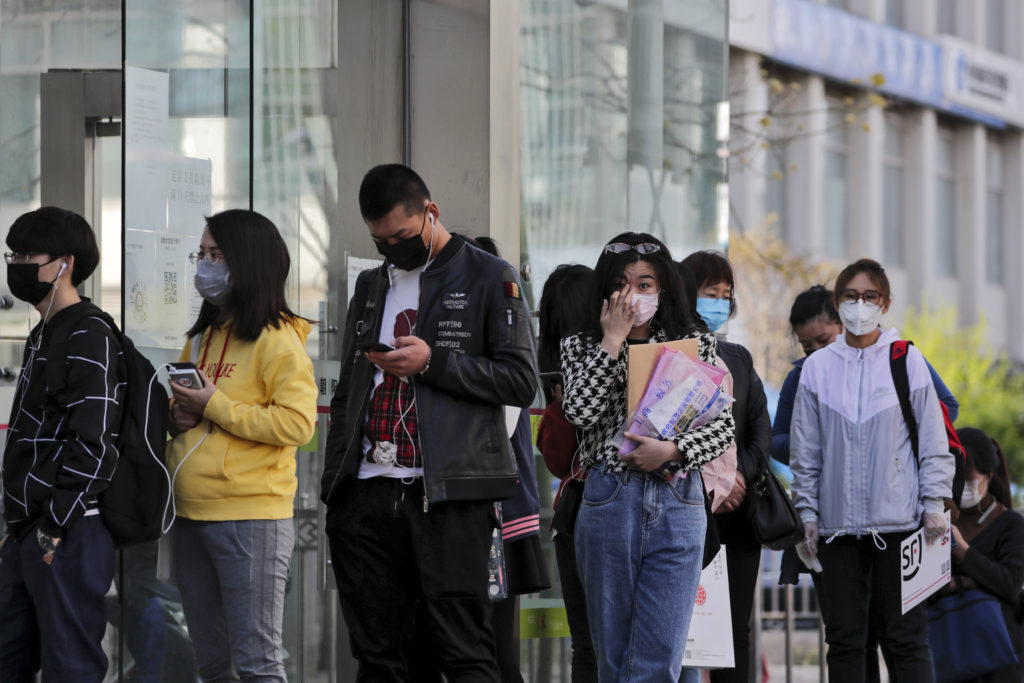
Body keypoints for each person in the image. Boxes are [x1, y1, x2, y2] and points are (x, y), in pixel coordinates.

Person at [320, 164, 538, 680]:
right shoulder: (372, 286)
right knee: (377, 657)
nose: (392, 248)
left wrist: (433, 362)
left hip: (449, 496)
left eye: (400, 235)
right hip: (368, 493)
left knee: (464, 651)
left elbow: (519, 381)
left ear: (430, 213)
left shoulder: (489, 275)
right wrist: (337, 486)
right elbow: (351, 388)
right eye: (380, 240)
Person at [560, 232, 734, 682]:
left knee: (660, 661)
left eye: (645, 284)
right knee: (614, 660)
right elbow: (579, 411)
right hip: (608, 498)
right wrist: (612, 340)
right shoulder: (582, 345)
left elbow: (722, 428)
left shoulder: (693, 343)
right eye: (622, 283)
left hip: (678, 499)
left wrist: (674, 451)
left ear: (663, 289)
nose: (632, 295)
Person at [165, 209, 317, 682]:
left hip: (249, 517)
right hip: (190, 513)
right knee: (211, 661)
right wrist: (181, 415)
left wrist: (214, 405)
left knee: (257, 661)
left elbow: (297, 424)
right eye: (202, 254)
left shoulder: (278, 340)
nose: (204, 267)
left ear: (247, 264)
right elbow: (192, 416)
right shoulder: (205, 336)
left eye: (217, 256)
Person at [790, 258, 954, 683]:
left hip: (900, 526)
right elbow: (805, 454)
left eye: (870, 296)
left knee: (906, 640)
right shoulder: (817, 369)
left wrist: (933, 505)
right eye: (850, 296)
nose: (859, 305)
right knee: (844, 642)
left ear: (885, 303)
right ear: (836, 301)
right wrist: (807, 516)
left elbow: (934, 441)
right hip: (837, 530)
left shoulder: (907, 360)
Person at [0, 207, 126, 681]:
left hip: (67, 529)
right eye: (14, 253)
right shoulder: (43, 333)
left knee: (69, 668)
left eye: (30, 254)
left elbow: (94, 442)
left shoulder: (89, 331)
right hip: (29, 528)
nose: (18, 264)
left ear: (65, 263)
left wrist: (53, 521)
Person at [679, 251, 771, 683]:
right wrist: (709, 483)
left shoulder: (738, 357)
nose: (717, 303)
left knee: (736, 630)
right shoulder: (670, 355)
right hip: (687, 511)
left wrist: (737, 477)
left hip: (737, 514)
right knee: (682, 630)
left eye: (724, 295)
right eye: (708, 293)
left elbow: (759, 433)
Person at [772, 285, 959, 466]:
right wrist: (816, 443)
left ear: (844, 325)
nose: (817, 351)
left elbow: (947, 406)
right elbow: (777, 440)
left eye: (823, 340)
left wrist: (893, 432)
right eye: (807, 346)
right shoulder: (798, 378)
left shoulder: (898, 359)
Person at [537, 263, 599, 683]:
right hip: (594, 512)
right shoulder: (615, 356)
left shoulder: (565, 373)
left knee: (587, 646)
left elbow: (558, 459)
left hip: (576, 514)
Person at [944, 427, 1024, 683]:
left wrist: (963, 551)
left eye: (967, 479)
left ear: (988, 476)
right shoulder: (938, 522)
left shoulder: (1009, 523)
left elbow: (1010, 583)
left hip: (997, 657)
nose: (960, 487)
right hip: (947, 649)